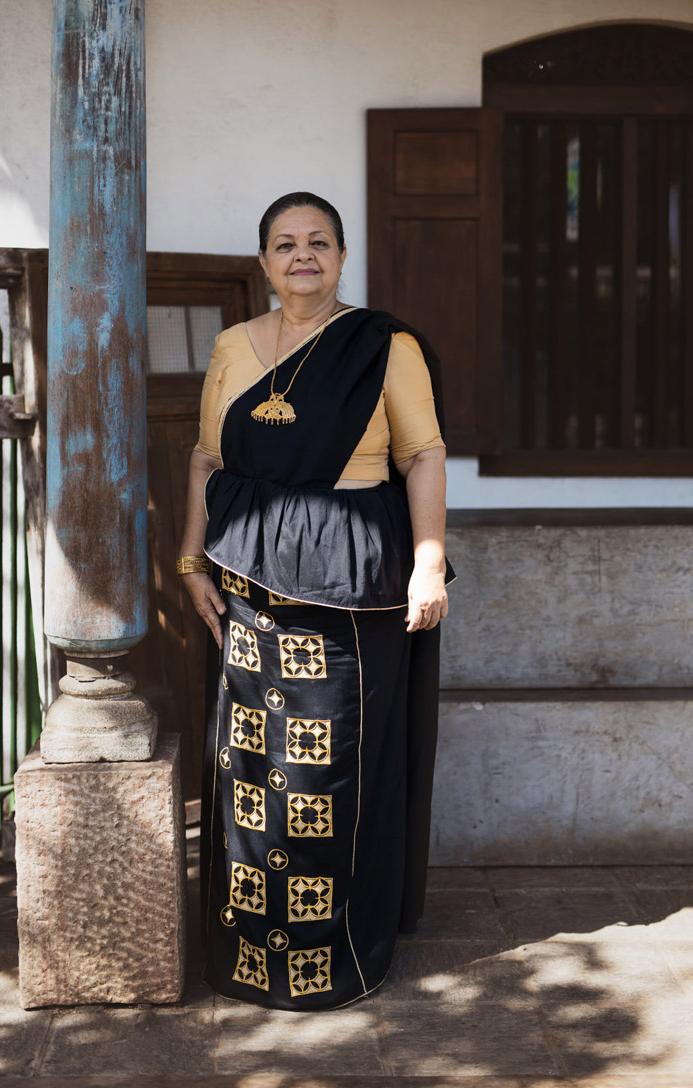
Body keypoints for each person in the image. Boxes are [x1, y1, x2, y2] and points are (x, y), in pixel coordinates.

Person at [178, 192, 452, 1010]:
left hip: (350, 584)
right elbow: (205, 459)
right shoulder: (233, 345)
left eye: (319, 242)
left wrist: (428, 564)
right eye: (286, 243)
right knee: (249, 767)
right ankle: (245, 956)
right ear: (264, 261)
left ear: (341, 256)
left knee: (333, 770)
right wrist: (190, 557)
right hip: (245, 582)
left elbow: (423, 454)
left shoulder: (383, 346)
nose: (303, 255)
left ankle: (336, 960)